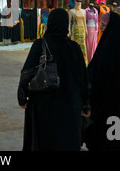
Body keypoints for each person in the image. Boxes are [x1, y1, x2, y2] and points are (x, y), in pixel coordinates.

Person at [18, 8, 90, 151]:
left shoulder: (40, 45)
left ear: (50, 23)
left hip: (44, 104)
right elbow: (83, 77)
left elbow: (27, 71)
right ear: (66, 24)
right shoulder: (74, 47)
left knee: (45, 142)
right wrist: (85, 104)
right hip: (70, 105)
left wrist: (22, 97)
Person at [85, 11, 120, 151]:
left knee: (109, 131)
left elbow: (98, 74)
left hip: (109, 99)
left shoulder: (108, 47)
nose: (101, 29)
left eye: (103, 26)